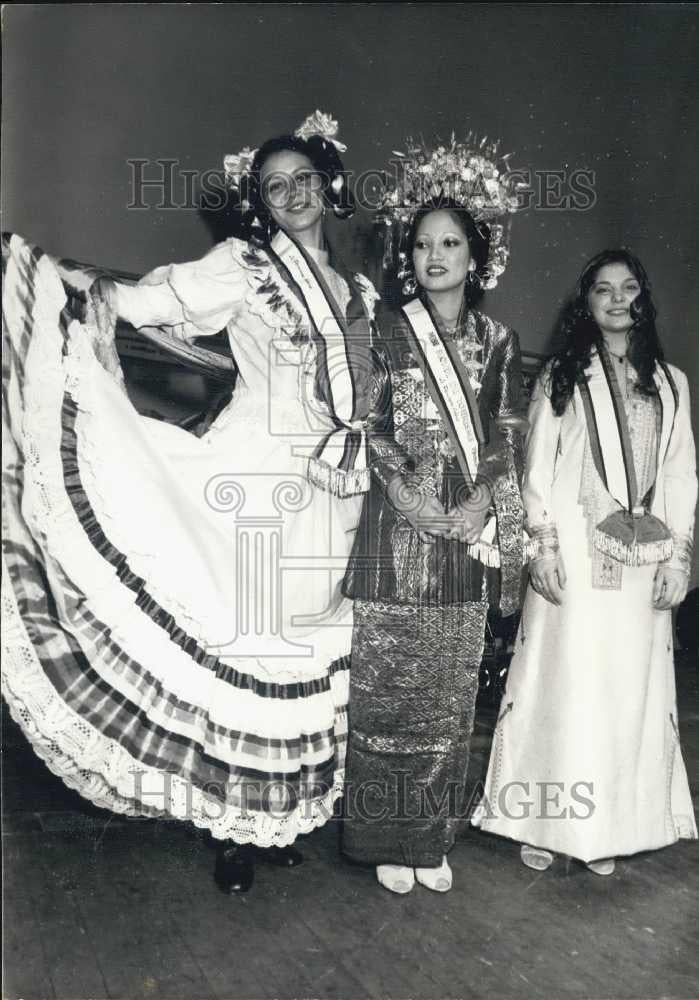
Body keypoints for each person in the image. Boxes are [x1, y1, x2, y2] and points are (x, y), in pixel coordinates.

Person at [1, 111, 383, 894]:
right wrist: (70, 286)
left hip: (331, 488)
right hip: (254, 475)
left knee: (301, 647)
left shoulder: (355, 291)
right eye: (274, 187)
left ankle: (280, 819)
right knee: (242, 643)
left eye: (303, 179)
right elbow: (150, 305)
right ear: (262, 204)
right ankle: (231, 829)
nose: (292, 194)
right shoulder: (241, 264)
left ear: (327, 185)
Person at [341, 134, 528, 895]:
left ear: (477, 254)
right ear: (405, 256)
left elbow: (507, 431)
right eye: (421, 244)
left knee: (448, 700)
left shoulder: (499, 340)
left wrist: (480, 502)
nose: (434, 255)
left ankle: (428, 837)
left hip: (463, 538)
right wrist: (411, 497)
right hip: (395, 534)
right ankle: (382, 835)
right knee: (388, 695)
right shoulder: (380, 330)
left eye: (450, 242)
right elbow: (373, 426)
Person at [474, 249, 698, 874]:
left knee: (627, 689)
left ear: (644, 299)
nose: (618, 299)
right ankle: (543, 821)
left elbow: (682, 474)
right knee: (565, 683)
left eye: (630, 288)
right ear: (587, 302)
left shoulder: (672, 383)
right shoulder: (563, 377)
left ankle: (611, 826)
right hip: (573, 551)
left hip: (643, 559)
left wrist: (678, 558)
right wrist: (540, 548)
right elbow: (536, 468)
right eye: (604, 289)